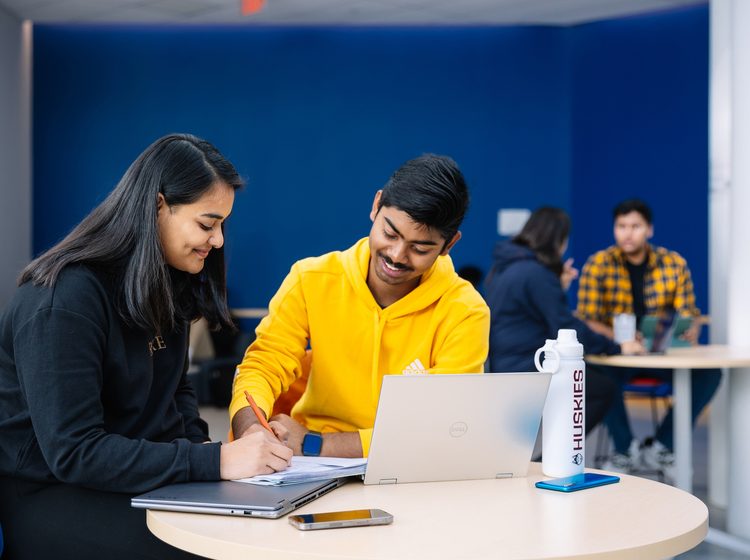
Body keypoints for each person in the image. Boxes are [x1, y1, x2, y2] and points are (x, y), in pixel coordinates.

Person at [0, 134, 292, 559]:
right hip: (52, 494)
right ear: (157, 206)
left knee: (262, 531)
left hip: (135, 481)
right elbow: (74, 451)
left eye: (223, 226)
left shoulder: (164, 285)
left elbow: (177, 393)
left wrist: (218, 472)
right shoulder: (61, 300)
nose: (219, 242)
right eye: (207, 224)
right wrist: (214, 464)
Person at [230, 154, 490, 458]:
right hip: (310, 469)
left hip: (409, 468)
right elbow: (265, 364)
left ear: (449, 245)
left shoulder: (465, 310)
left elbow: (442, 424)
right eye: (389, 233)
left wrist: (317, 445)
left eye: (420, 248)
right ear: (376, 205)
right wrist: (251, 429)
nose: (397, 255)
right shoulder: (311, 278)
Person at [576, 199, 722, 477]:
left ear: (649, 230)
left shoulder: (673, 263)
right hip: (617, 356)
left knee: (710, 374)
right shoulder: (599, 264)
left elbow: (688, 312)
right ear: (614, 229)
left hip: (661, 354)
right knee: (592, 373)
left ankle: (661, 446)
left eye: (635, 226)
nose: (628, 233)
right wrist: (623, 342)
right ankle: (625, 449)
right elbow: (589, 319)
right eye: (621, 226)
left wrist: (689, 329)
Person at [485, 207, 644, 434]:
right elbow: (567, 329)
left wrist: (557, 286)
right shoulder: (536, 274)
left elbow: (531, 316)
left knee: (597, 382)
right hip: (527, 368)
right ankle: (552, 456)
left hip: (504, 366)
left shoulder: (506, 267)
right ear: (557, 240)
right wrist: (617, 347)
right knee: (603, 389)